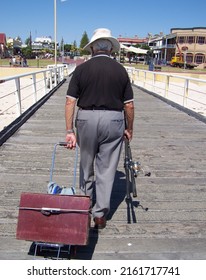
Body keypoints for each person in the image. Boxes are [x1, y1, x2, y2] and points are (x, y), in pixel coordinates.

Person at [65, 28, 134, 229]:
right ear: (111, 48)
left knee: (86, 165)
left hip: (86, 118)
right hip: (113, 120)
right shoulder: (120, 70)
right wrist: (130, 128)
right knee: (107, 169)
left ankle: (83, 208)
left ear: (93, 48)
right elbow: (129, 105)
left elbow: (70, 102)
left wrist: (69, 131)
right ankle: (100, 215)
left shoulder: (81, 69)